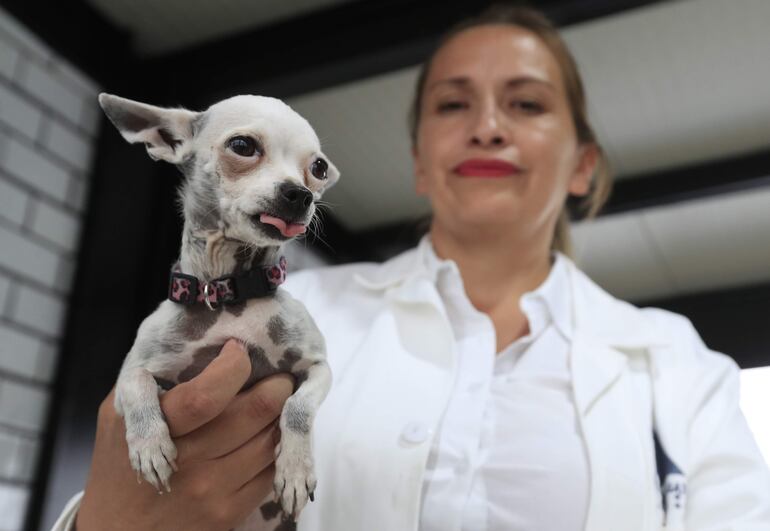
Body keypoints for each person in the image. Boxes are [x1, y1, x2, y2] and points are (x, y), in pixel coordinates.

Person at [53, 5, 770, 531]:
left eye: (525, 103)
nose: (487, 126)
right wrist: (106, 523)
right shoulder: (290, 311)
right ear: (420, 163)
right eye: (454, 104)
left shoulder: (680, 365)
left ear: (582, 164)